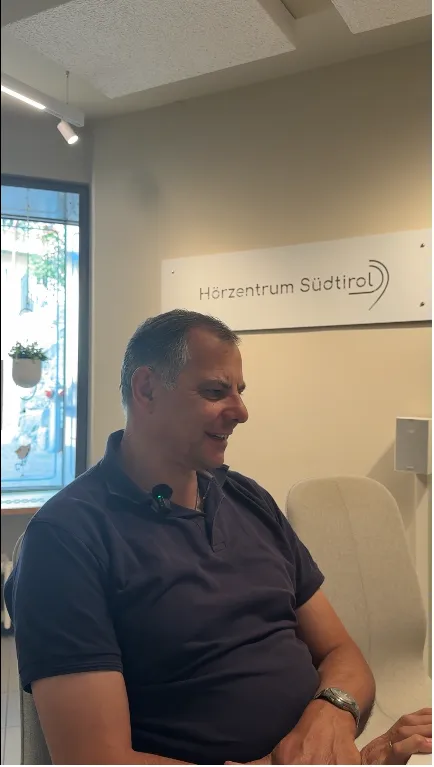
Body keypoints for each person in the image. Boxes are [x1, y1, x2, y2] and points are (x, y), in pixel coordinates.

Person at [3, 309, 399, 765]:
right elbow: (95, 759)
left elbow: (342, 652)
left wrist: (331, 715)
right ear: (146, 389)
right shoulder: (65, 539)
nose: (241, 412)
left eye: (240, 392)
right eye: (215, 391)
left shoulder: (248, 499)